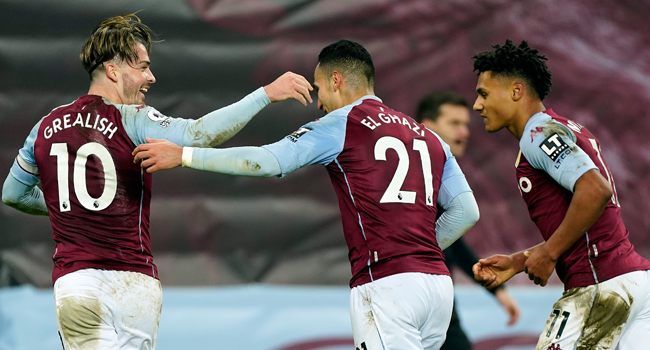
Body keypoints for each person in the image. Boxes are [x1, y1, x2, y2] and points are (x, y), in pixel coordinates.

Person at [133, 39, 480, 350]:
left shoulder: (341, 123)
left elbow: (267, 161)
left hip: (388, 284)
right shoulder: (428, 136)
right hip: (437, 285)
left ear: (336, 80)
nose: (319, 102)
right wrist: (420, 251)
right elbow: (466, 211)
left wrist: (185, 156)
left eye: (319, 88)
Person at [1, 14, 312, 350]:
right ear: (113, 70)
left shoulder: (44, 127)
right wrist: (265, 94)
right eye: (143, 66)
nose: (151, 76)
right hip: (135, 285)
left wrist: (70, 209)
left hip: (78, 283)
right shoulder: (133, 120)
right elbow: (200, 133)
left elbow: (12, 194)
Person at [470, 39, 650, 350]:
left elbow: (595, 191)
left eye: (483, 94)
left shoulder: (538, 134)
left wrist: (549, 253)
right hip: (633, 282)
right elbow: (588, 223)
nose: (477, 105)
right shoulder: (564, 128)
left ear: (516, 91)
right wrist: (518, 261)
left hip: (600, 287)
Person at [415, 92, 520, 350]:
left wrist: (495, 289)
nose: (464, 132)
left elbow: (454, 246)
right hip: (415, 299)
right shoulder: (414, 177)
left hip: (439, 301)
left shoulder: (442, 172)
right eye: (454, 123)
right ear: (427, 126)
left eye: (466, 125)